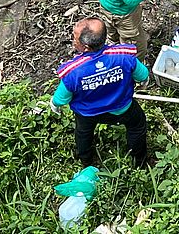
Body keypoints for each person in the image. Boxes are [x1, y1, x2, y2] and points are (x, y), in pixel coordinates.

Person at [51, 18, 149, 168]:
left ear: (85, 47)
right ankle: (139, 161)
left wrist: (54, 105)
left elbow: (60, 99)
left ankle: (87, 161)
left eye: (74, 37)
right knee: (137, 125)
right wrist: (143, 82)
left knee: (83, 134)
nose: (72, 40)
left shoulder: (73, 71)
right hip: (122, 107)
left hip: (87, 113)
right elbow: (143, 76)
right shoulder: (123, 56)